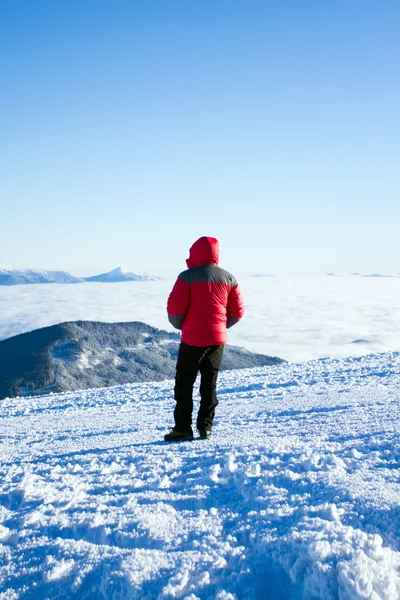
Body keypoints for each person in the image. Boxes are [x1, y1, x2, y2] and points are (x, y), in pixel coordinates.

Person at [165, 236, 244, 442]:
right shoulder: (229, 278)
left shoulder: (187, 277)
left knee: (184, 384)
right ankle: (205, 428)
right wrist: (220, 327)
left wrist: (182, 326)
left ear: (195, 253)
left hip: (192, 339)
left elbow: (175, 310)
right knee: (209, 384)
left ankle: (182, 429)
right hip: (217, 341)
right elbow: (237, 312)